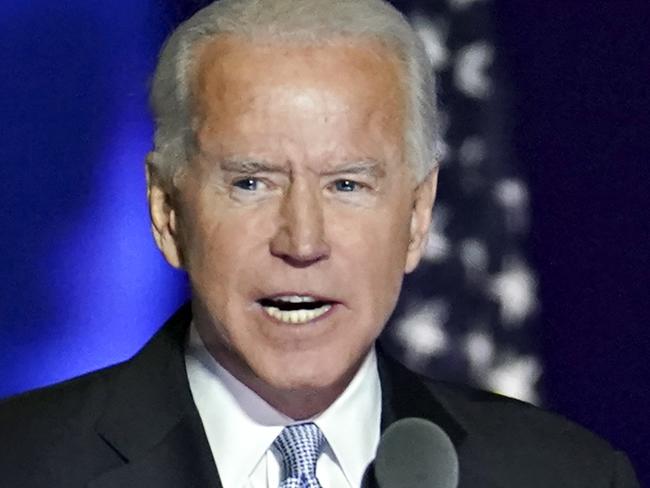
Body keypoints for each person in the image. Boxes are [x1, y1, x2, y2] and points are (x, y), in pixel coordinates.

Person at [0, 0, 640, 486]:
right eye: (251, 182)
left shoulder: (567, 475)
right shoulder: (23, 462)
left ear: (417, 217)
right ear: (166, 210)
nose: (302, 241)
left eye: (347, 185)